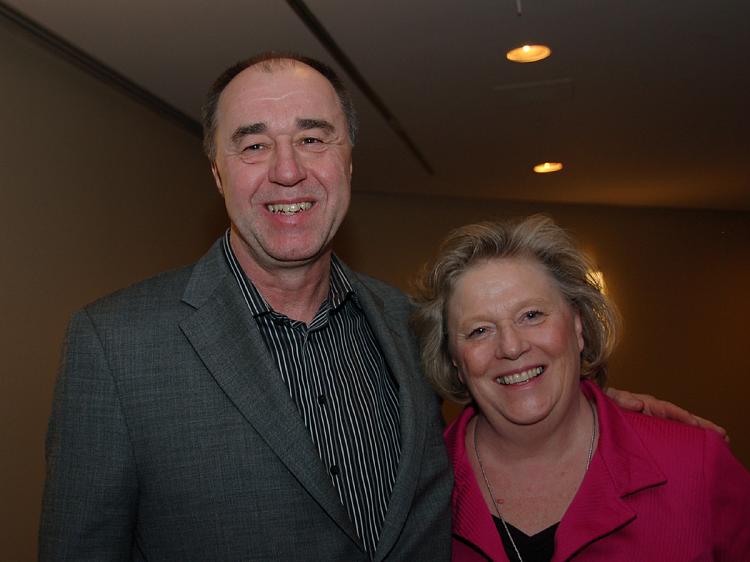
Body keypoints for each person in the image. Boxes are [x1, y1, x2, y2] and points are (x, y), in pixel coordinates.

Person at [39, 53, 721, 561]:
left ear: (349, 161)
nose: (286, 169)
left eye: (313, 137)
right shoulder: (116, 344)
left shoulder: (408, 323)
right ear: (218, 171)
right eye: (252, 144)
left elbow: (503, 388)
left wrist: (607, 409)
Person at [412, 215, 750, 561]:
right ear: (454, 359)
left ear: (577, 326)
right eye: (479, 331)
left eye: (531, 315)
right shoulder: (414, 492)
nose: (511, 347)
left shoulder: (695, 465)